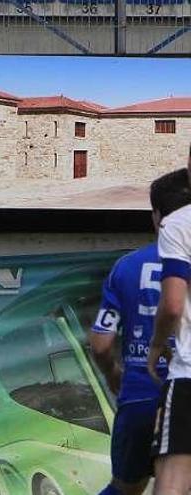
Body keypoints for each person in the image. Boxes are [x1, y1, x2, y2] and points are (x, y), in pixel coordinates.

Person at [89, 173, 187, 495]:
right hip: (182, 388)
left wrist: (113, 375)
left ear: (157, 217)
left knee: (125, 488)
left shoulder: (127, 266)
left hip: (139, 394)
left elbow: (101, 344)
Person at [148, 168, 191, 495]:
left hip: (189, 371)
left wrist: (157, 344)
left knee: (172, 480)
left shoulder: (177, 223)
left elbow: (173, 304)